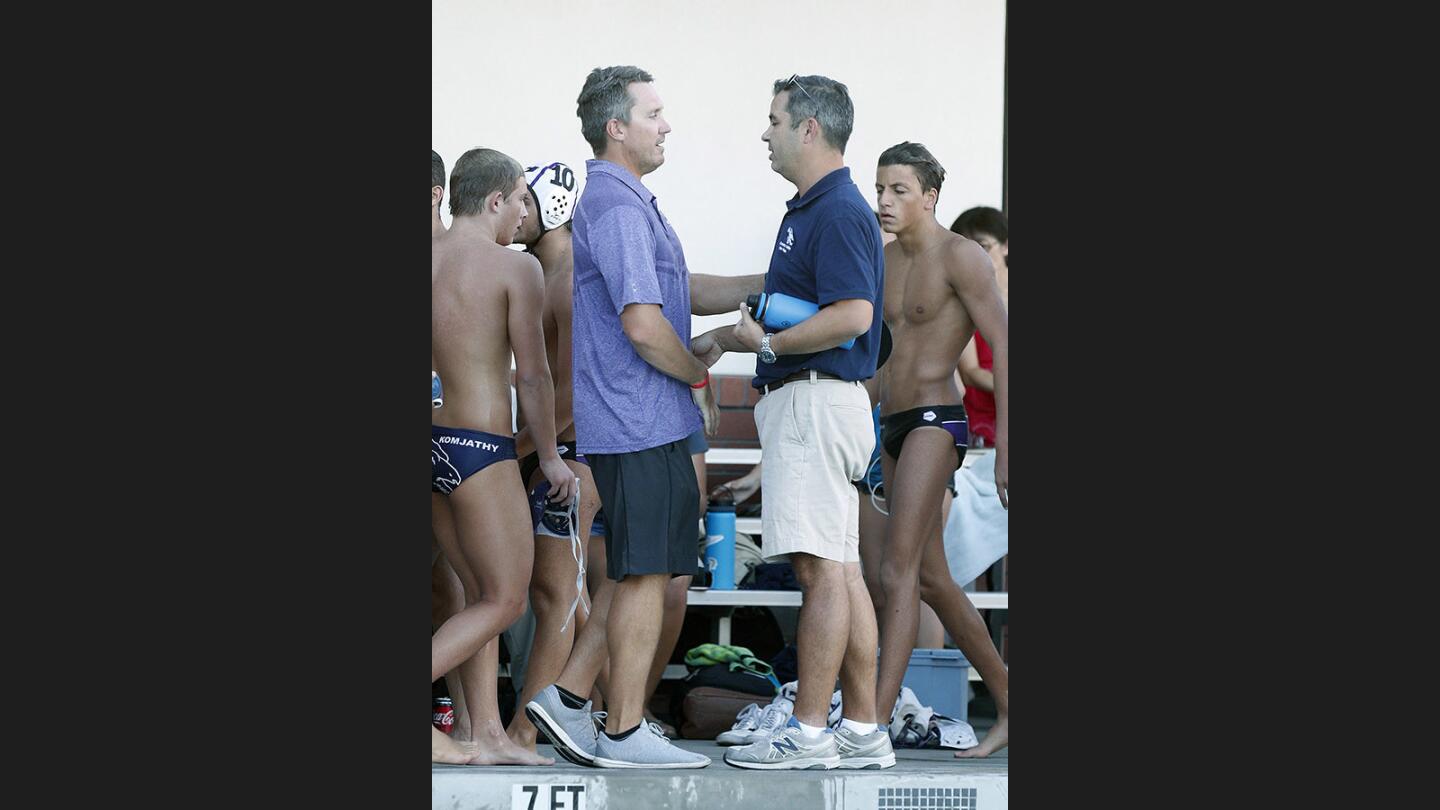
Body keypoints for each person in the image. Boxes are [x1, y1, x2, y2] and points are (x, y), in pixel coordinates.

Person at [694, 74, 891, 771]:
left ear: (810, 127)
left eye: (773, 118)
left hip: (814, 397)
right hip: (819, 400)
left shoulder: (835, 210)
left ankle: (808, 732)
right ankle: (864, 730)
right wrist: (729, 332)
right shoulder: (814, 209)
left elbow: (853, 316)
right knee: (840, 569)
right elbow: (794, 305)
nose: (765, 131)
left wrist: (766, 345)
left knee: (820, 573)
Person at [524, 65, 715, 770]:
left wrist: (754, 289)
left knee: (640, 569)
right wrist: (697, 373)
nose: (666, 125)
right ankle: (624, 729)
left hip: (639, 417)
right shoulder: (620, 206)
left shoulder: (621, 201)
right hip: (639, 418)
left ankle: (568, 698)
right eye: (655, 113)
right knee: (642, 577)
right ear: (618, 127)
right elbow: (642, 324)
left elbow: (670, 292)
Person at [431, 146, 576, 766]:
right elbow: (535, 380)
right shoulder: (516, 271)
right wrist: (549, 457)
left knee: (473, 591)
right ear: (495, 200)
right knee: (506, 599)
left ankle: (485, 731)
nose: (525, 213)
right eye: (520, 198)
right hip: (482, 448)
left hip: (434, 444)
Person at [871, 142, 1008, 757]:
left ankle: (870, 725)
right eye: (879, 189)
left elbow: (1003, 349)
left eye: (898, 190)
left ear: (929, 196)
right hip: (891, 424)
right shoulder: (883, 261)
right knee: (931, 578)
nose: (884, 202)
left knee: (897, 571)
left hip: (936, 421)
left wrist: (1007, 449)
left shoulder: (963, 257)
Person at [502, 161, 608, 753]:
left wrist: (517, 452)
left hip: (570, 459)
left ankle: (524, 731)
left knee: (555, 598)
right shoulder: (549, 273)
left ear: (555, 210)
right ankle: (612, 715)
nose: (517, 212)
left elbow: (573, 391)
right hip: (560, 453)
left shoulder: (566, 281)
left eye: (525, 201)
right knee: (572, 599)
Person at [950, 207, 1008, 450]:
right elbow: (970, 371)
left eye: (984, 246)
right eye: (969, 249)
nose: (977, 257)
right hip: (981, 427)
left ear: (1006, 245)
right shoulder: (961, 301)